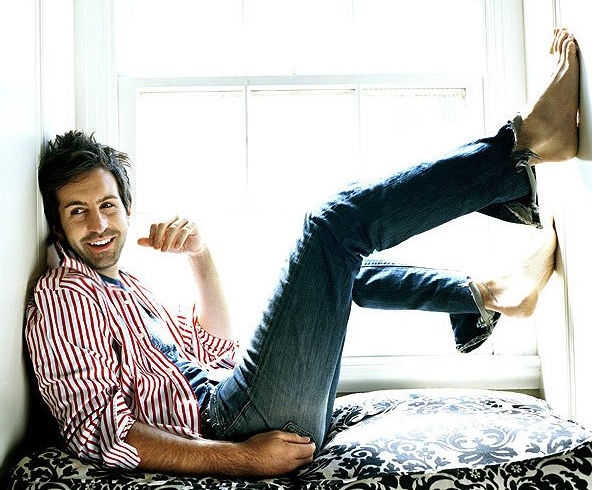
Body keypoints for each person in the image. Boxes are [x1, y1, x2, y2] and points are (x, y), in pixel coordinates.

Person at [26, 28, 580, 478]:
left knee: (343, 269)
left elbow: (218, 346)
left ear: (126, 208)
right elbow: (100, 431)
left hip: (234, 398)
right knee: (332, 226)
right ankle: (521, 148)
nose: (98, 224)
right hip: (228, 424)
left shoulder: (127, 288)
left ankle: (483, 297)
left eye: (107, 205)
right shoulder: (62, 296)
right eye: (78, 211)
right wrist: (242, 459)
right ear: (56, 226)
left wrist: (200, 255)